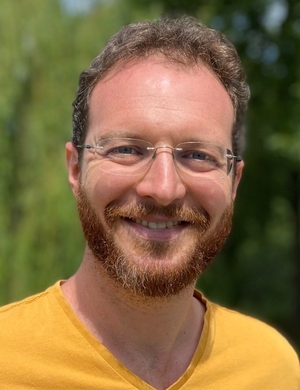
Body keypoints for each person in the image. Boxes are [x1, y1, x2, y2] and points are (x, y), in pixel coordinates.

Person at [0, 17, 299, 390]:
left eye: (198, 155)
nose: (163, 188)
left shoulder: (272, 368)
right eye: (126, 149)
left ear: (234, 181)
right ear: (76, 169)